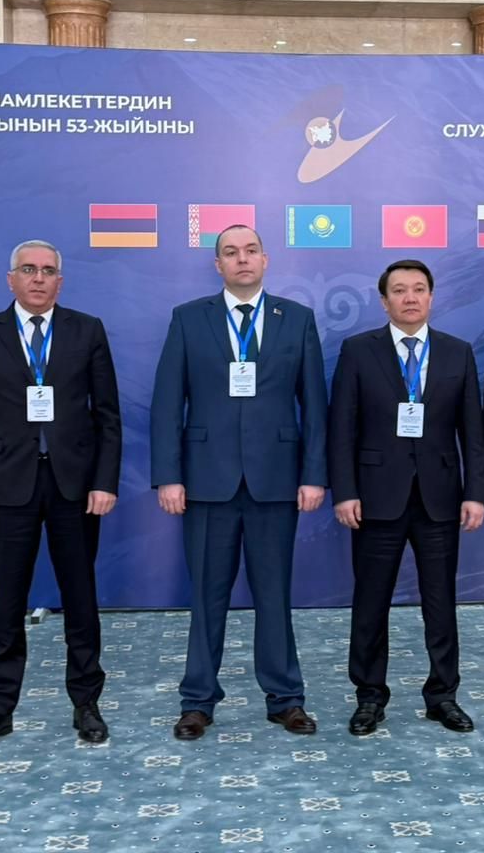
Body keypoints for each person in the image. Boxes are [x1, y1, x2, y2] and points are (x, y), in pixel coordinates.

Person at [151, 224, 328, 740]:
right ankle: (197, 701)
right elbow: (168, 403)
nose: (242, 259)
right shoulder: (188, 318)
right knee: (207, 598)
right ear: (218, 265)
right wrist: (168, 476)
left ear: (265, 260)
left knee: (274, 595)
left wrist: (314, 475)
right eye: (231, 252)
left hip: (276, 480)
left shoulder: (297, 318)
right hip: (206, 482)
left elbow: (315, 405)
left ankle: (286, 699)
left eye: (251, 250)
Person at [0, 239, 121, 750]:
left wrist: (104, 481)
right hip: (6, 487)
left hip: (74, 486)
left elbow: (108, 416)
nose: (39, 278)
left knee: (81, 598)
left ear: (60, 282)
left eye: (48, 271)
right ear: (11, 279)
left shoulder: (87, 330)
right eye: (29, 269)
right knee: (6, 601)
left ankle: (86, 703)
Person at [328, 260, 484, 736]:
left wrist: (475, 493)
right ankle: (369, 697)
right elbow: (341, 429)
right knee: (370, 602)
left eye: (419, 289)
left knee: (441, 602)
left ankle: (443, 696)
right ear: (384, 302)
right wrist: (345, 491)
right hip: (376, 498)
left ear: (432, 297)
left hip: (440, 498)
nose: (410, 297)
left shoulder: (458, 352)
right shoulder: (359, 351)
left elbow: (473, 432)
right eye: (399, 290)